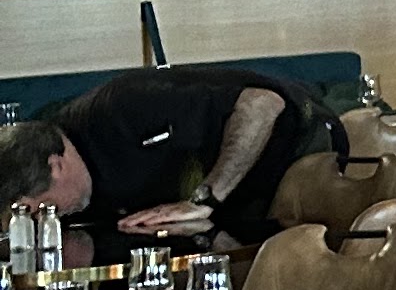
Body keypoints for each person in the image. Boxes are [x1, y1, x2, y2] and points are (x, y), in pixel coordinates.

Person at [0, 63, 337, 253]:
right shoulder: (61, 166)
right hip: (230, 213)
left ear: (56, 166)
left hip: (300, 143)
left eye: (41, 211)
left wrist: (205, 199)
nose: (46, 221)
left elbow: (263, 104)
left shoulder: (123, 109)